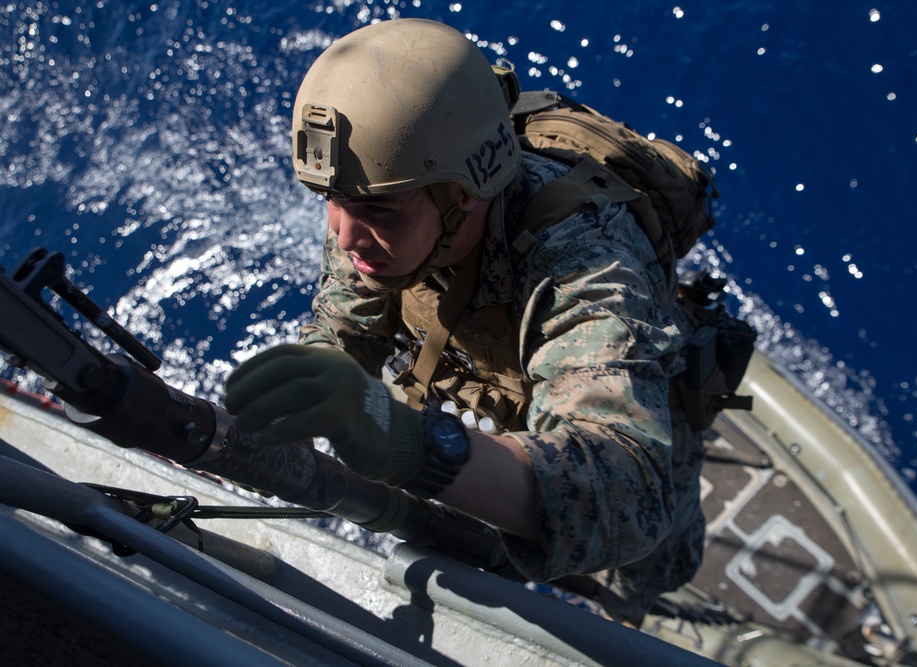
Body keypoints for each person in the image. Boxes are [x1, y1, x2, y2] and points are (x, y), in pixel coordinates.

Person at [224, 18, 705, 624]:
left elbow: (632, 490)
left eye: (374, 209)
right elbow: (344, 323)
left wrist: (409, 444)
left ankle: (646, 609)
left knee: (656, 564)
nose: (344, 236)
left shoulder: (583, 262)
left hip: (628, 412)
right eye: (331, 202)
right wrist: (308, 391)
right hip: (498, 387)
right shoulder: (385, 204)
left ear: (466, 193)